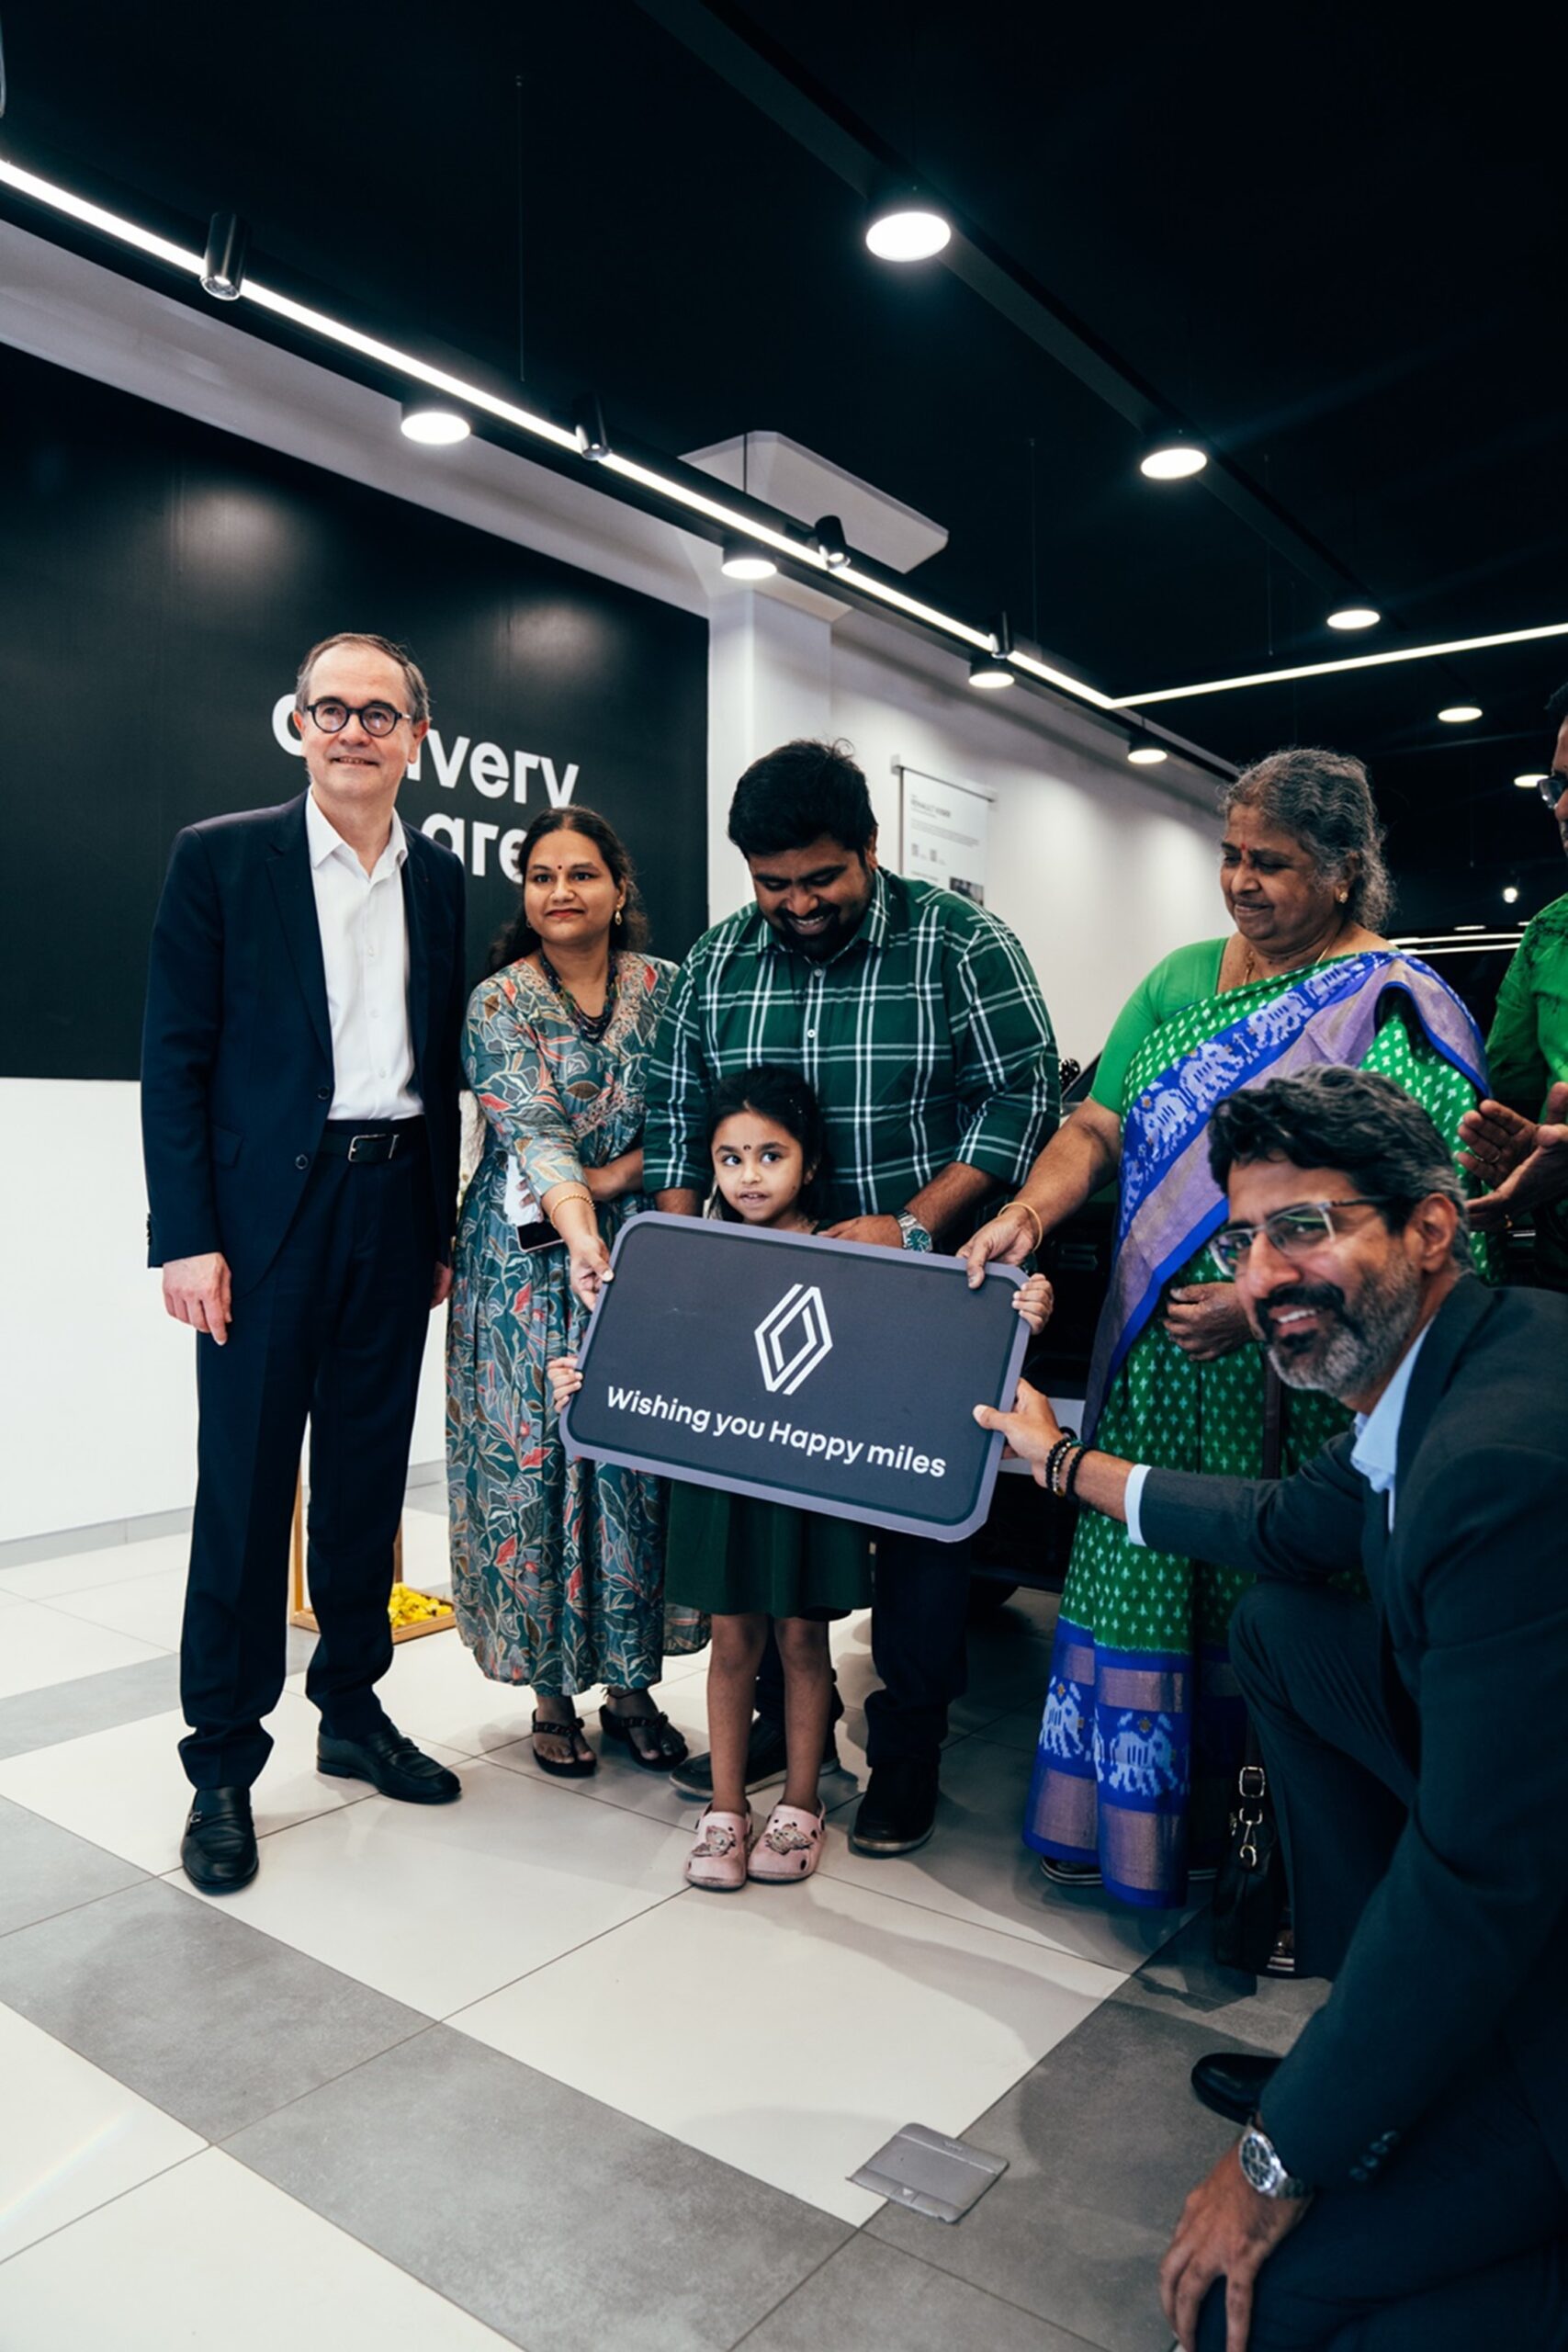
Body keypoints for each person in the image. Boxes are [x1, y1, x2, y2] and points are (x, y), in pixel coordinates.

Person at [976, 1066, 1568, 2352]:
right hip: (1521, 1844)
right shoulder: (1469, 1354)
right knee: (1283, 1630)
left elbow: (1479, 1875)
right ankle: (1373, 2050)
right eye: (1244, 1239)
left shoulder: (1498, 1467)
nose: (1263, 1277)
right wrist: (1059, 1460)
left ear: (1430, 1226)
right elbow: (1290, 1528)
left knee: (1258, 2311)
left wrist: (1274, 2160)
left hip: (1537, 1952)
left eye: (1305, 1227)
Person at [961, 747, 1494, 1910]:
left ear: (1345, 871)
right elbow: (1099, 1128)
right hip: (1158, 1362)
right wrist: (1029, 1212)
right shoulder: (1183, 979)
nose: (1243, 882)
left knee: (1269, 1594)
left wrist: (1257, 1312)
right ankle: (1136, 1834)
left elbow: (1408, 1223)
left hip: (1295, 1383)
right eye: (1232, 855)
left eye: (1275, 863)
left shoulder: (1389, 1002)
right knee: (1144, 1567)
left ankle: (1273, 1859)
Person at [643, 740, 1059, 1858]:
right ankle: (787, 1724)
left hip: (921, 1290)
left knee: (920, 1529)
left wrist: (912, 1224)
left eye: (821, 877)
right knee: (772, 1512)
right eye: (772, 884)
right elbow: (673, 1112)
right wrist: (687, 1256)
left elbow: (1022, 1098)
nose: (798, 904)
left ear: (870, 847)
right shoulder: (717, 961)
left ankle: (910, 1744)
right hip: (757, 1298)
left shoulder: (959, 942)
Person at [551, 1063, 1055, 1885]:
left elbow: (930, 1344)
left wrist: (1018, 1309)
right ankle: (724, 1810)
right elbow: (649, 1347)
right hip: (719, 1475)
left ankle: (800, 1803)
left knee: (800, 1639)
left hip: (810, 1480)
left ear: (808, 1163)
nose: (749, 1176)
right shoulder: (690, 1253)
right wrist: (584, 1379)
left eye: (770, 1156)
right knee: (730, 1642)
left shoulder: (857, 1256)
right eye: (730, 1159)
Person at [142, 631, 468, 1895]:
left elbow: (439, 1066)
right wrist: (187, 1235)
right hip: (265, 1219)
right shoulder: (223, 858)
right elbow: (175, 1058)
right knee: (243, 1493)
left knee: (365, 1484)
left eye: (377, 713)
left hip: (392, 1209)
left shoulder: (438, 878)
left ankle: (351, 1708)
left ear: (414, 738)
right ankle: (222, 1763)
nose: (351, 731)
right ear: (299, 725)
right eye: (329, 709)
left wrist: (436, 1228)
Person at [446, 808, 702, 1775]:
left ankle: (632, 1683)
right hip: (522, 1262)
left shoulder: (667, 988)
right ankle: (549, 1689)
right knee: (534, 1462)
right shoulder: (499, 1001)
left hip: (643, 1246)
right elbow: (532, 1125)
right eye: (542, 875)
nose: (561, 891)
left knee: (632, 1460)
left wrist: (615, 1181)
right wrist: (582, 1205)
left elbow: (690, 1106)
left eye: (582, 873)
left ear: (618, 887)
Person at [1459, 678, 1568, 1280]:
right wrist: (1524, 1149)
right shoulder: (1548, 935)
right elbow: (1512, 1094)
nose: (1561, 810)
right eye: (1559, 785)